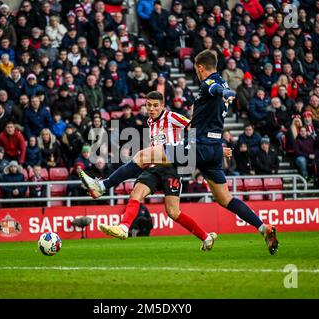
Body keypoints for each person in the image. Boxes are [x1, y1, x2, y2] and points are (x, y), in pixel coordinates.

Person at [80, 49, 278, 255]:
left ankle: (102, 185)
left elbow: (215, 89)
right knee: (225, 199)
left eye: (197, 69)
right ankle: (263, 227)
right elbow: (218, 93)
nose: (197, 73)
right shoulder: (222, 82)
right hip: (213, 149)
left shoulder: (210, 84)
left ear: (201, 68)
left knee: (142, 156)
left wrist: (225, 92)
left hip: (197, 147)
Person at [96, 91, 219, 250]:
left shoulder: (171, 116)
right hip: (154, 167)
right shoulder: (150, 122)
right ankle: (124, 227)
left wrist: (201, 146)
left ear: (162, 106)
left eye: (155, 105)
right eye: (149, 105)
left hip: (171, 168)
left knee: (173, 212)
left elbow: (193, 126)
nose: (152, 109)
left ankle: (206, 237)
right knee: (136, 193)